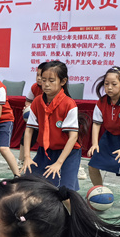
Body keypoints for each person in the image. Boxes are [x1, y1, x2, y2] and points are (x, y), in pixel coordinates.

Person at [22, 61, 83, 191]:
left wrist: (59, 163)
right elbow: (29, 131)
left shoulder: (69, 104)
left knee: (65, 192)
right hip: (44, 151)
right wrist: (27, 157)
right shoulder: (37, 101)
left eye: (51, 80)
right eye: (43, 80)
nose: (46, 84)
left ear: (63, 81)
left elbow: (73, 137)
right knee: (28, 186)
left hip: (67, 153)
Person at [87, 66, 120, 210]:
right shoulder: (101, 102)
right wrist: (94, 143)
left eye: (114, 84)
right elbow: (96, 123)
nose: (109, 87)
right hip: (109, 136)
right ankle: (99, 194)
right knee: (92, 166)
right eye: (106, 84)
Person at [18, 62, 46, 169]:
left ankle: (78, 167)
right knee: (25, 138)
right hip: (36, 120)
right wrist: (27, 108)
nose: (38, 78)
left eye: (41, 76)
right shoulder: (34, 87)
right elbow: (28, 101)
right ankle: (21, 160)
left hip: (48, 121)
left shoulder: (51, 90)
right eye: (37, 75)